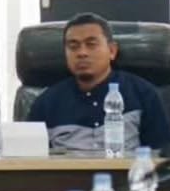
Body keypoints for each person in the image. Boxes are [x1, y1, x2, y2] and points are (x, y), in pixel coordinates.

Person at [27, 13, 170, 151]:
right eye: (73, 46)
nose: (82, 53)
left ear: (112, 51)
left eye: (91, 44)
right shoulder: (45, 104)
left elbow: (160, 156)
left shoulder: (143, 94)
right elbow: (29, 159)